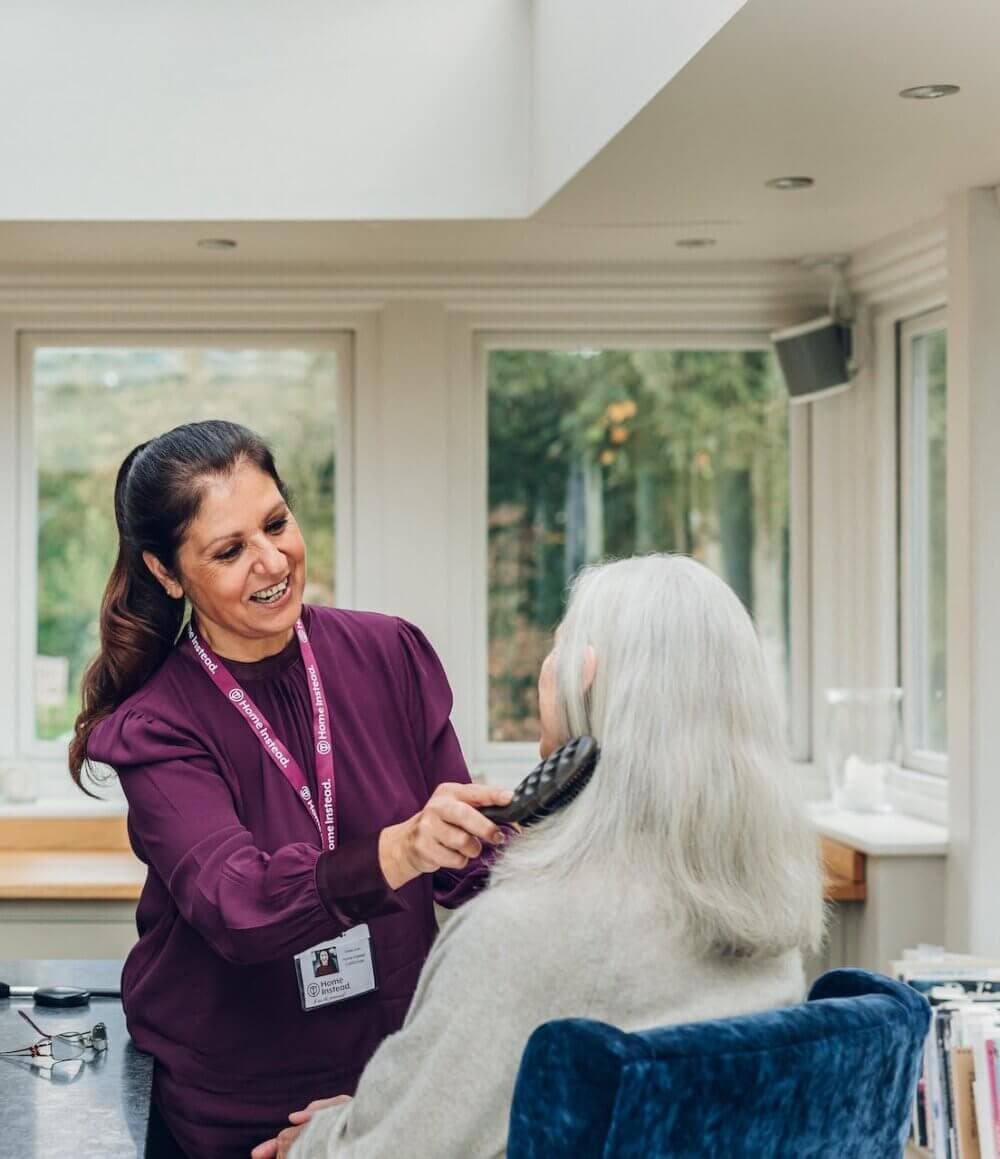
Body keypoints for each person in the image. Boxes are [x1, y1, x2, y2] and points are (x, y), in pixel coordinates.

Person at [254, 554, 825, 1159]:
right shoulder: (767, 923)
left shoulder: (517, 935)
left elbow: (394, 1152)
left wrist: (316, 1140)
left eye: (557, 646)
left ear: (585, 675)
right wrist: (377, 1114)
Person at [70, 420, 512, 1159]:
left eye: (276, 524)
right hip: (235, 1109)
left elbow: (468, 866)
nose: (272, 561)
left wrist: (538, 837)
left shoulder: (389, 653)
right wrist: (401, 849)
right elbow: (237, 905)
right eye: (229, 551)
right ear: (167, 573)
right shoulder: (158, 725)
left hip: (387, 1089)